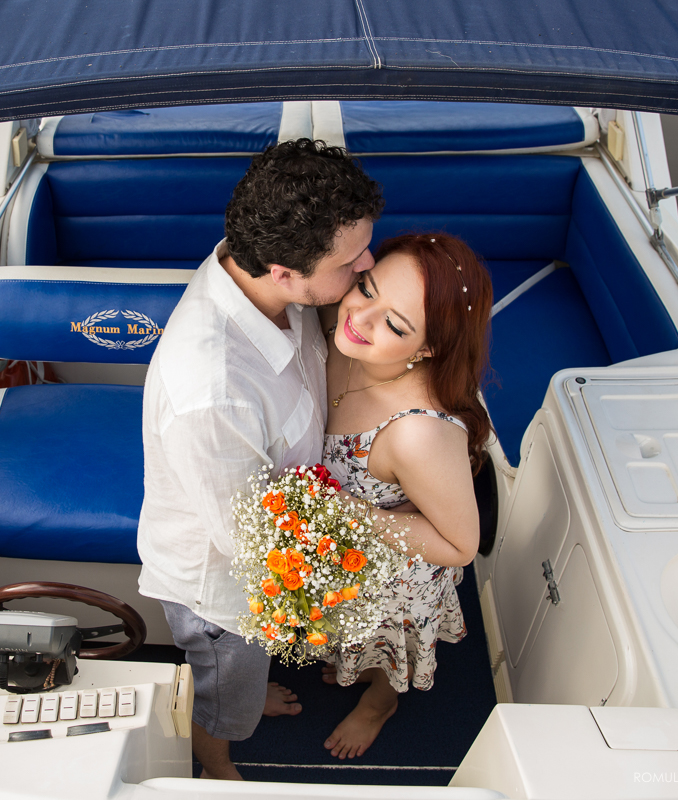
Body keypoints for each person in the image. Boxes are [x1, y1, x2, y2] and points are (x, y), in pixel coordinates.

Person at [136, 138, 384, 781]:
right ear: (283, 272)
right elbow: (252, 543)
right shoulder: (212, 392)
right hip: (223, 589)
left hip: (268, 538)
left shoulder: (260, 275)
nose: (369, 263)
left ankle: (249, 695)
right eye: (352, 259)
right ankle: (216, 760)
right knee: (226, 689)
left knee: (249, 676)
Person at [318, 232, 492, 760]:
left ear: (429, 348)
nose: (361, 318)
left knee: (384, 643)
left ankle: (380, 702)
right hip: (343, 550)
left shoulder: (418, 432)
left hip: (396, 568)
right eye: (366, 288)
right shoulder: (339, 326)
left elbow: (461, 544)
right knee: (346, 636)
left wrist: (350, 514)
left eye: (395, 324)